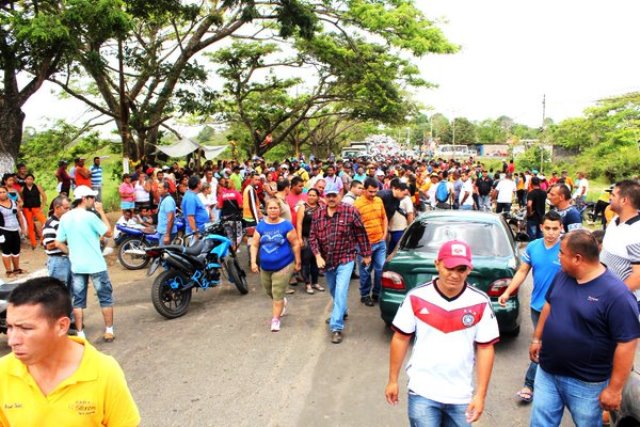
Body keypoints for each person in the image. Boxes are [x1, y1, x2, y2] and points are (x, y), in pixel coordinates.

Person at [529, 230, 640, 427]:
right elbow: (549, 304)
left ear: (577, 258)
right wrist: (537, 339)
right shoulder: (562, 276)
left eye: (561, 253)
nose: (558, 256)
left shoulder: (617, 295)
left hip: (586, 384)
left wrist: (614, 390)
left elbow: (627, 343)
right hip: (547, 372)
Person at [385, 240, 499, 426]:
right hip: (422, 392)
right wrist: (392, 380)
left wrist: (480, 395)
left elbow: (486, 348)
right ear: (437, 264)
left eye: (461, 269)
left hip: (461, 396)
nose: (454, 275)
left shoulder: (480, 302)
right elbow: (400, 337)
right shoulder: (416, 297)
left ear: (469, 270)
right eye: (449, 268)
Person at [0, 277, 140, 426]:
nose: (12, 340)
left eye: (26, 328)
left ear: (62, 326)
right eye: (10, 327)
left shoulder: (103, 372)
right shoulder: (3, 372)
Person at [498, 211, 563, 403]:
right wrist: (507, 291)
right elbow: (522, 272)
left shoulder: (566, 248)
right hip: (538, 307)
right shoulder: (534, 247)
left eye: (555, 228)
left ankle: (533, 383)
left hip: (562, 307)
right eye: (548, 228)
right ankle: (535, 383)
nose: (551, 233)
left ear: (561, 228)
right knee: (544, 344)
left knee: (547, 344)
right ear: (541, 227)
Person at [309, 188, 371, 344]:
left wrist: (366, 254)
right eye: (328, 196)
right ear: (324, 197)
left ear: (340, 196)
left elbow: (361, 234)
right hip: (327, 260)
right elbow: (313, 236)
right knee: (333, 289)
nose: (331, 198)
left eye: (334, 195)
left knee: (341, 289)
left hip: (346, 257)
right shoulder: (318, 214)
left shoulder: (351, 211)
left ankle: (336, 327)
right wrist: (317, 255)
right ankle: (341, 311)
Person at [55, 186, 115, 342]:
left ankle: (80, 333)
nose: (94, 201)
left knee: (78, 300)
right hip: (96, 264)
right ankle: (109, 330)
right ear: (85, 199)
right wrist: (101, 211)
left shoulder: (65, 217)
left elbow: (58, 242)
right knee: (105, 297)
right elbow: (108, 232)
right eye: (92, 198)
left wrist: (70, 253)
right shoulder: (91, 216)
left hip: (77, 264)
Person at [250, 199, 301, 332]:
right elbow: (255, 244)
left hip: (284, 265)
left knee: (277, 291)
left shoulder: (286, 225)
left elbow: (295, 243)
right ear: (266, 210)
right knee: (269, 291)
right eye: (270, 208)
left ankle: (275, 320)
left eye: (275, 208)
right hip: (265, 266)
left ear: (280, 210)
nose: (273, 210)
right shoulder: (261, 226)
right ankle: (281, 301)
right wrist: (253, 262)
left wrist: (298, 261)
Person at [599, 179, 640, 309]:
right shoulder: (615, 220)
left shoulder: (635, 231)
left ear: (624, 200)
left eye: (613, 195)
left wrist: (613, 298)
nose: (609, 197)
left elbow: (638, 275)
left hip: (624, 302)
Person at [354, 178, 388, 307]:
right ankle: (365, 295)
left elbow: (384, 218)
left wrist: (384, 235)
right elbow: (355, 227)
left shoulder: (379, 200)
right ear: (364, 189)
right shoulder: (357, 204)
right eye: (370, 192)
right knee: (365, 271)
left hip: (380, 242)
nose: (373, 194)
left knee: (380, 269)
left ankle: (377, 293)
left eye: (375, 192)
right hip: (365, 245)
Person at [296, 188, 324, 295]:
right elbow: (299, 224)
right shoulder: (303, 207)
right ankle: (307, 284)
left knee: (316, 261)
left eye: (314, 195)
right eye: (310, 195)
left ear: (318, 197)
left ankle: (315, 283)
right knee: (306, 261)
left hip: (318, 239)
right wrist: (299, 238)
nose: (311, 197)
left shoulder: (320, 207)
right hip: (306, 238)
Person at [43, 195, 73, 290]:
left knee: (70, 291)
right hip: (58, 261)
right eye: (66, 208)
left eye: (69, 208)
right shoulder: (50, 223)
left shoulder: (65, 221)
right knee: (59, 293)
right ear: (57, 208)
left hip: (68, 259)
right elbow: (49, 245)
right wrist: (64, 238)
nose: (69, 211)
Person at [0, 185, 27, 277]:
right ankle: (9, 271)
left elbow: (19, 216)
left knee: (16, 251)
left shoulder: (13, 202)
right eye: (0, 192)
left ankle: (16, 269)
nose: (2, 194)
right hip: (4, 230)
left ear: (7, 192)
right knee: (6, 251)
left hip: (15, 230)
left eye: (4, 192)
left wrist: (23, 229)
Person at [20, 173, 47, 249]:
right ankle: (33, 243)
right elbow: (21, 198)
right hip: (27, 209)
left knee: (44, 222)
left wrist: (42, 206)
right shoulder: (22, 189)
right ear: (25, 180)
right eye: (28, 179)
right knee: (30, 226)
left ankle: (43, 239)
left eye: (31, 179)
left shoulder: (37, 187)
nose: (29, 180)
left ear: (33, 180)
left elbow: (44, 196)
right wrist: (22, 206)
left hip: (37, 208)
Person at [387, 183, 414, 254]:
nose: (404, 195)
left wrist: (409, 228)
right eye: (404, 193)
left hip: (400, 230)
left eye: (406, 194)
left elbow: (410, 214)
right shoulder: (391, 197)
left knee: (399, 252)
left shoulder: (407, 199)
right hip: (390, 230)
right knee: (390, 252)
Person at [218, 177, 244, 250]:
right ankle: (234, 249)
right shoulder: (236, 193)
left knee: (230, 236)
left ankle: (232, 249)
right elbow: (240, 206)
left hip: (225, 219)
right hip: (235, 218)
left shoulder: (222, 194)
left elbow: (220, 206)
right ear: (233, 185)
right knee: (239, 236)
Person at [157, 181, 177, 246]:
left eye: (160, 188)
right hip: (162, 230)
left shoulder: (168, 200)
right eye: (158, 187)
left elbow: (170, 219)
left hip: (166, 232)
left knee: (163, 252)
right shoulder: (162, 198)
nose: (158, 189)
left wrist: (167, 235)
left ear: (166, 189)